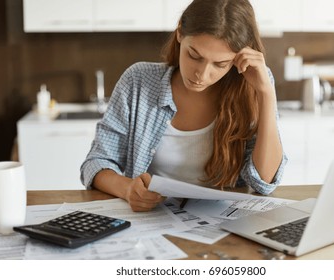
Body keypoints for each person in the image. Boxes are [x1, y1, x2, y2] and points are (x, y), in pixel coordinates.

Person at [80, 0, 287, 212]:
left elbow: (264, 181)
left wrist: (266, 92)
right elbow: (97, 162)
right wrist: (127, 189)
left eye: (220, 64)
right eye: (194, 56)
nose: (202, 74)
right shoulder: (138, 81)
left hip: (223, 225)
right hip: (152, 219)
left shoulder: (252, 87)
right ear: (180, 33)